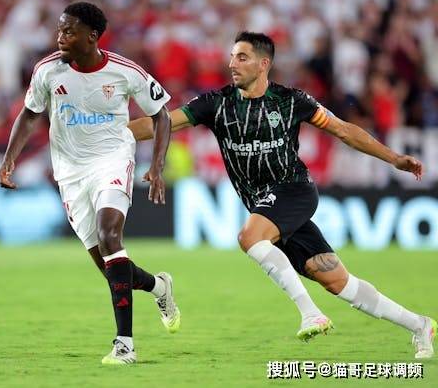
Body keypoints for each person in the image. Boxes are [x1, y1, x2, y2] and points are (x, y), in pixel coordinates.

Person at [128, 31, 436, 359]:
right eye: (232, 57)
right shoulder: (215, 104)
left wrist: (394, 159)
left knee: (249, 237)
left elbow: (344, 130)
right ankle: (419, 325)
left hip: (294, 190)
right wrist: (105, 133)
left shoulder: (291, 101)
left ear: (264, 64)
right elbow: (158, 124)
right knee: (339, 282)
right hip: (265, 206)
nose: (232, 64)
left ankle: (310, 314)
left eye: (242, 57)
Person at [0, 2, 180, 365]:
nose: (60, 37)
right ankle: (160, 287)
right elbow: (30, 114)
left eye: (69, 31)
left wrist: (157, 166)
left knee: (111, 236)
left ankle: (125, 345)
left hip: (113, 159)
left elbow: (162, 115)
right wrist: (8, 160)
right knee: (111, 269)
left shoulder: (125, 71)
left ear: (92, 36)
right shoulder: (47, 70)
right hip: (69, 172)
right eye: (59, 30)